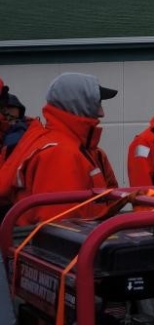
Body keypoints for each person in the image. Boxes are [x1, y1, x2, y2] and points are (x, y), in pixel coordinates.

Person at [0, 72, 119, 225]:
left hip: (90, 239)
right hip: (76, 245)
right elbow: (59, 232)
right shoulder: (60, 154)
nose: (102, 113)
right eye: (97, 104)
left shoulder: (80, 148)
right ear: (78, 105)